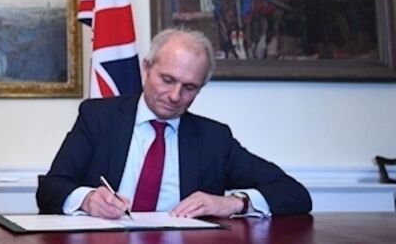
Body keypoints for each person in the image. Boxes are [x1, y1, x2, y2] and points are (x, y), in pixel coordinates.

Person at [37, 28, 311, 219]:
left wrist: (235, 202)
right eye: (167, 80)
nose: (175, 96)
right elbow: (50, 188)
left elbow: (294, 194)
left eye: (189, 87)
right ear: (146, 69)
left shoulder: (214, 138)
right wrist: (87, 200)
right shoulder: (99, 118)